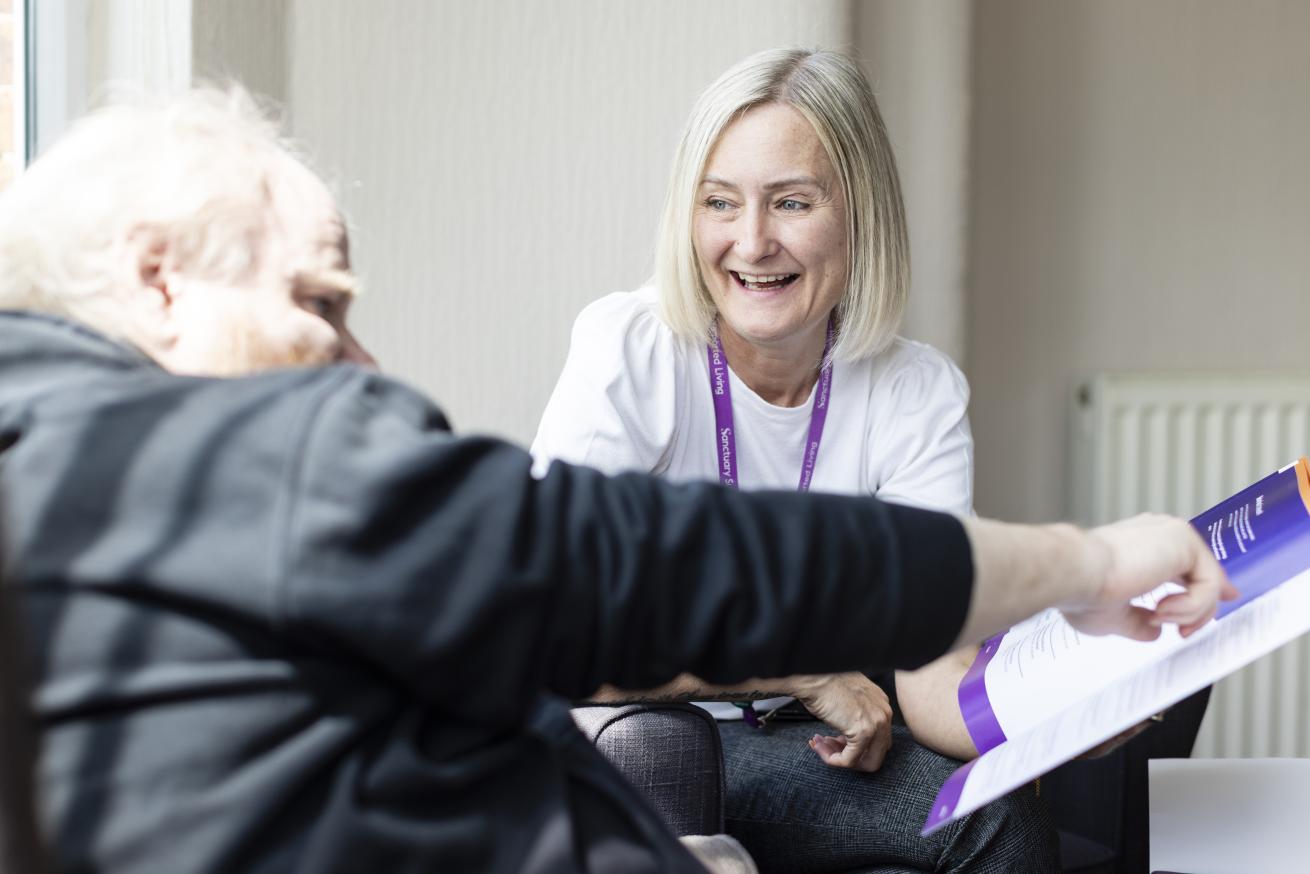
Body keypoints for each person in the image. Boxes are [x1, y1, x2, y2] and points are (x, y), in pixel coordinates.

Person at [0, 89, 1231, 874]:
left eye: (792, 203)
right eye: (319, 304)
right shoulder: (255, 455)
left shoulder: (66, 457)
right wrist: (1087, 563)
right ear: (159, 282)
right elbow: (632, 564)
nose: (364, 368)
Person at [531, 47, 1035, 871]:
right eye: (720, 203)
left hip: (814, 749)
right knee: (662, 757)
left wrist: (1066, 714)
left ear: (859, 213)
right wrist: (796, 667)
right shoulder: (631, 350)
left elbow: (933, 670)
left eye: (792, 202)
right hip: (651, 739)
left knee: (999, 819)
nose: (752, 242)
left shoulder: (916, 391)